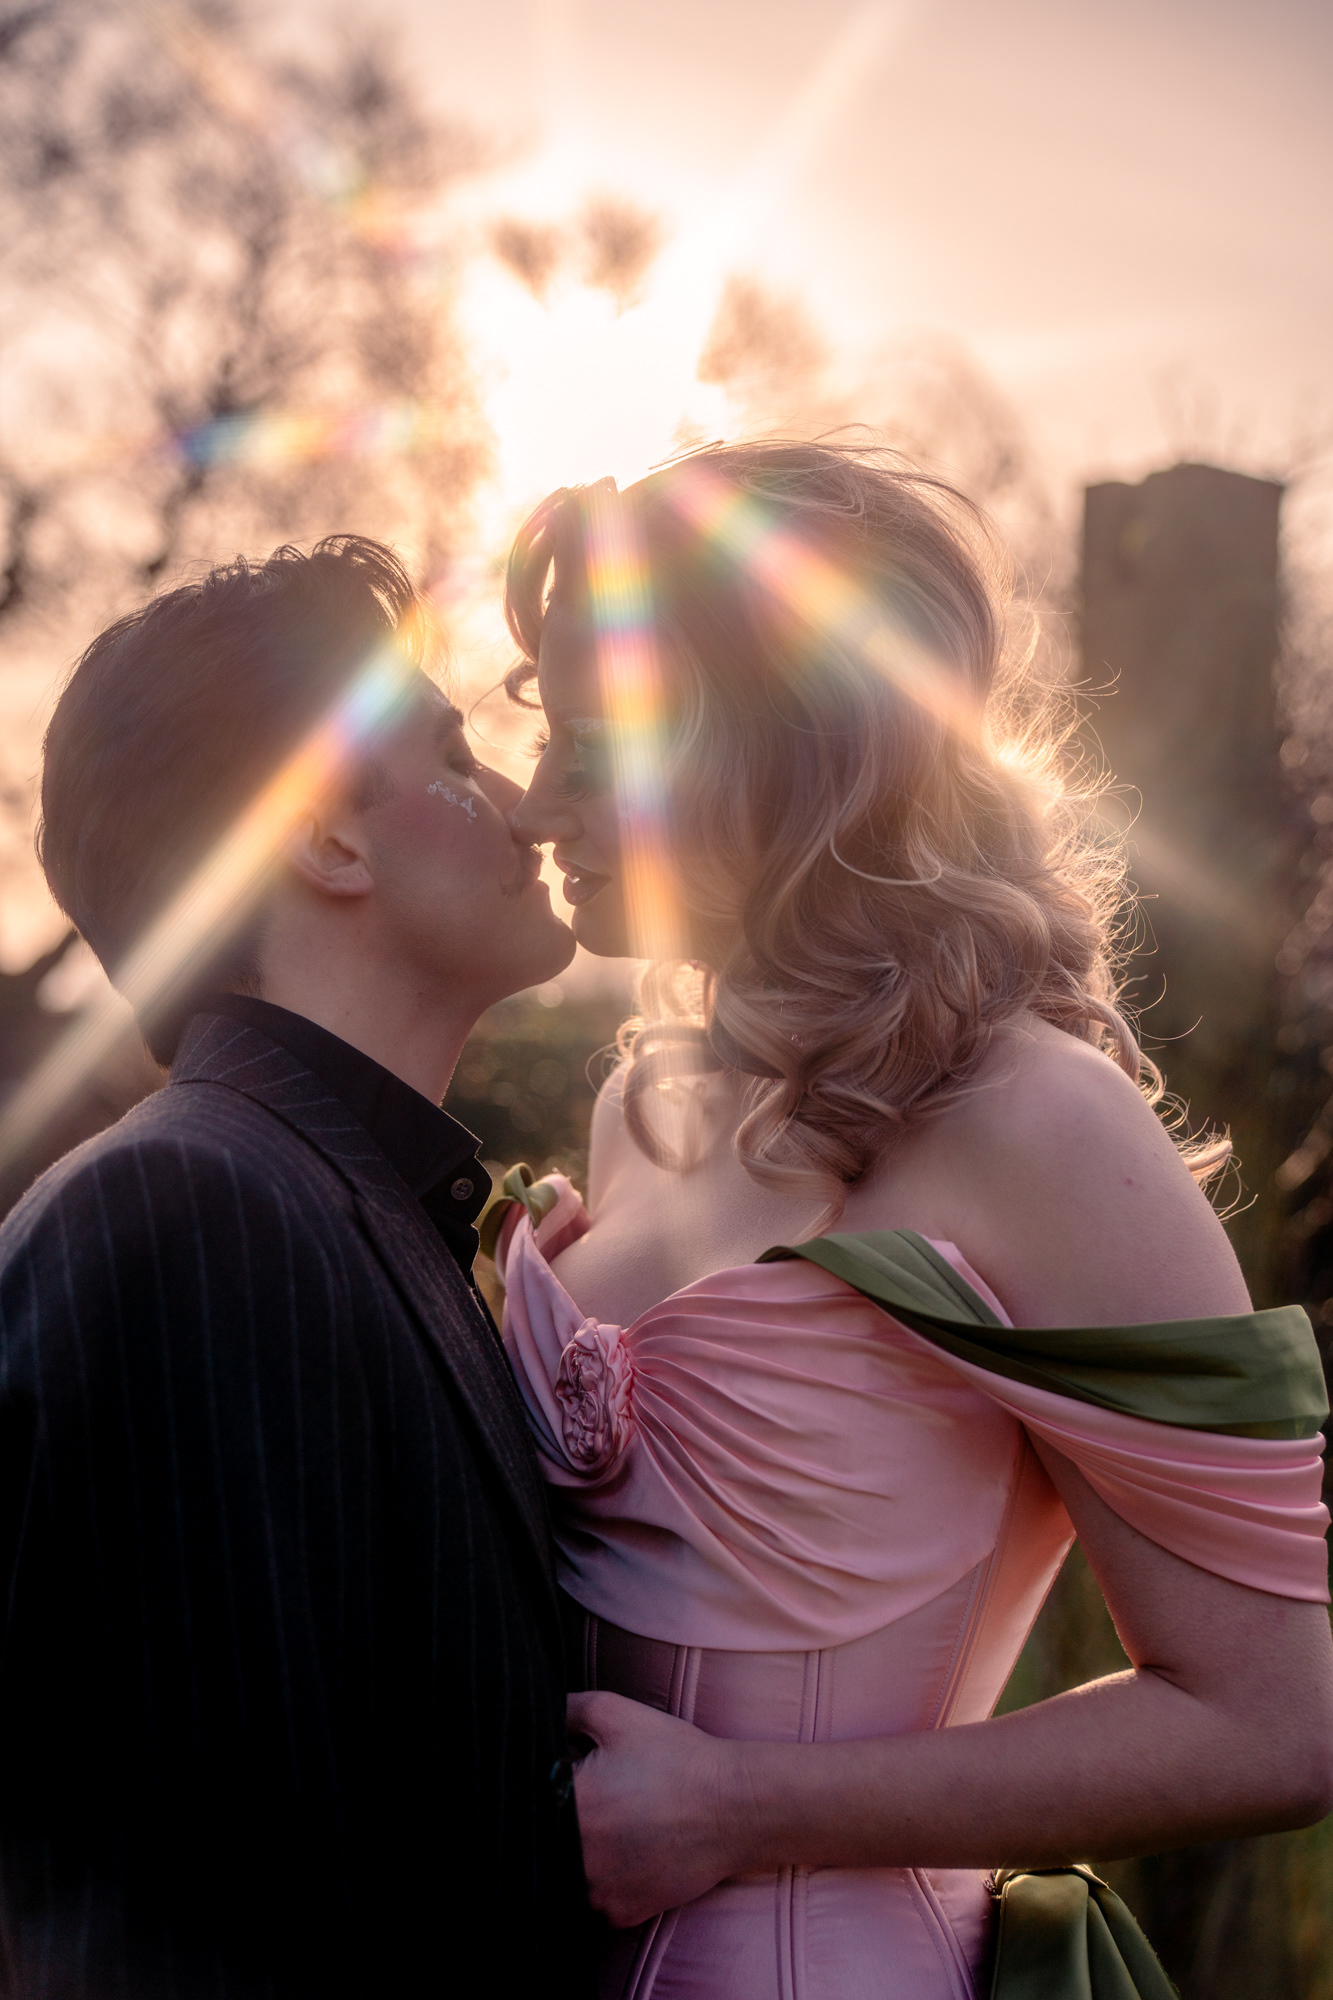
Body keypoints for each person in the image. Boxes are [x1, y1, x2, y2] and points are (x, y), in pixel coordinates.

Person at [496, 444, 1333, 2000]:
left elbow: (1273, 1722)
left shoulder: (1043, 1124)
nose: (539, 795)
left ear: (794, 743)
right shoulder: (641, 1105)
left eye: (598, 742)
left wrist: (743, 1810)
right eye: (544, 728)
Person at [0, 537, 594, 1998]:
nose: (527, 800)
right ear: (326, 836)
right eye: (453, 750)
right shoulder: (190, 1218)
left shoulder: (356, 1214)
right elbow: (207, 1933)